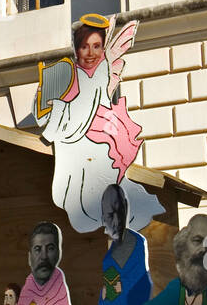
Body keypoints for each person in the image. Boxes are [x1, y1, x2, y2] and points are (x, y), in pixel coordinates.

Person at [34, 14, 163, 235]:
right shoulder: (67, 74)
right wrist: (57, 107)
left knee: (106, 180)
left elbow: (99, 102)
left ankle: (113, 216)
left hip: (99, 139)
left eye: (97, 46)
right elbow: (49, 118)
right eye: (85, 47)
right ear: (76, 49)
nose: (91, 53)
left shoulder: (101, 72)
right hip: (72, 143)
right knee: (74, 192)